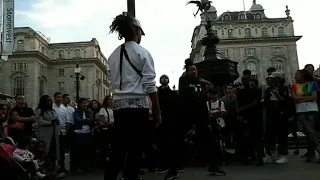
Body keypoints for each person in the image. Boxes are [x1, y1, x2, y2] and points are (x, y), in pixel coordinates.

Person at [105, 12, 161, 180]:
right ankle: (130, 177)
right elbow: (150, 85)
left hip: (119, 107)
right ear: (137, 31)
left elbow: (110, 82)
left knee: (118, 150)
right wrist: (157, 112)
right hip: (138, 108)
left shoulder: (112, 55)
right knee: (136, 149)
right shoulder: (142, 53)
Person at [169, 58, 225, 179]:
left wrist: (206, 87)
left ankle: (213, 166)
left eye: (195, 70)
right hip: (186, 114)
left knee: (209, 139)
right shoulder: (184, 79)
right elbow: (184, 97)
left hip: (200, 115)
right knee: (178, 140)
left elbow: (203, 96)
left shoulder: (200, 82)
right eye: (192, 70)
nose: (194, 71)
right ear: (187, 71)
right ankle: (173, 169)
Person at [292, 69, 320, 162]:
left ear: (303, 75)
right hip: (301, 111)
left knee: (311, 132)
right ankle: (312, 153)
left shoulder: (312, 84)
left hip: (312, 110)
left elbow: (314, 97)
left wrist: (301, 99)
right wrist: (307, 98)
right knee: (309, 132)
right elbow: (294, 97)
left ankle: (313, 153)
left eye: (297, 74)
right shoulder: (294, 85)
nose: (295, 76)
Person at [264, 72, 289, 164]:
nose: (271, 80)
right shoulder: (268, 90)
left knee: (282, 134)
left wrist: (277, 94)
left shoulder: (283, 88)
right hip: (271, 114)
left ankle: (283, 154)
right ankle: (270, 153)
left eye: (273, 78)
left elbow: (285, 100)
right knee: (269, 134)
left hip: (281, 114)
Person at [156, 75, 179, 173]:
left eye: (166, 78)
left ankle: (172, 165)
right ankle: (163, 164)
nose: (164, 79)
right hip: (160, 120)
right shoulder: (157, 93)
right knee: (161, 143)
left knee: (170, 142)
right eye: (162, 78)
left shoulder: (172, 93)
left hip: (170, 119)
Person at [36, 95, 60, 165]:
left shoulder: (53, 111)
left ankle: (53, 167)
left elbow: (56, 119)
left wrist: (57, 121)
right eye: (47, 100)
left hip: (54, 134)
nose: (49, 102)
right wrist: (51, 123)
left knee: (53, 151)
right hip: (44, 134)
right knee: (45, 151)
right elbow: (40, 121)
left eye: (50, 100)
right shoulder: (39, 110)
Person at [72, 98, 94, 172]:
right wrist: (87, 121)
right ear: (79, 104)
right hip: (79, 132)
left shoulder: (88, 112)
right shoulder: (76, 112)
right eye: (83, 103)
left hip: (87, 132)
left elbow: (91, 120)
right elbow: (78, 120)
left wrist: (86, 121)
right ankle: (78, 167)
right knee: (79, 151)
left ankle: (85, 166)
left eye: (86, 103)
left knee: (86, 151)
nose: (85, 104)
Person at [52, 92, 69, 172]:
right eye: (58, 97)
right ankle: (53, 167)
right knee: (54, 150)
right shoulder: (51, 107)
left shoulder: (64, 109)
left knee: (62, 150)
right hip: (54, 132)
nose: (60, 98)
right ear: (54, 98)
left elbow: (67, 121)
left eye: (61, 97)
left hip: (63, 132)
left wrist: (66, 131)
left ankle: (62, 166)